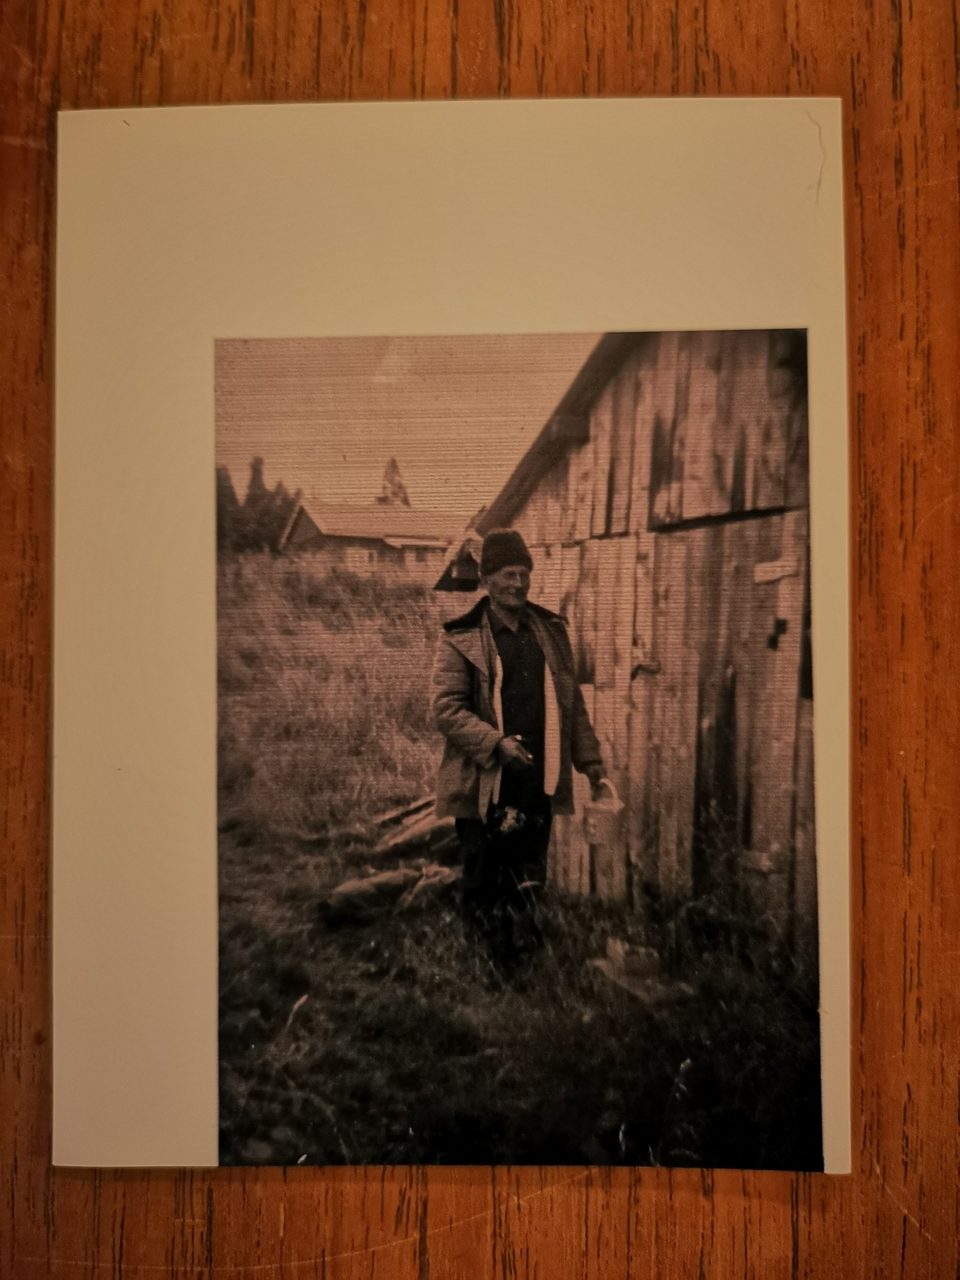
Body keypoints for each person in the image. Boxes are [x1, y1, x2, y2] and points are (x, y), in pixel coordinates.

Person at [431, 529, 606, 970]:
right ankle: (482, 964)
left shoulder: (550, 632)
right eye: (509, 574)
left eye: (524, 574)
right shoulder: (461, 638)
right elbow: (446, 709)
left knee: (528, 872)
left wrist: (591, 763)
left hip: (537, 776)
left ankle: (520, 957)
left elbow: (572, 705)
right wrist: (496, 744)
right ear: (487, 580)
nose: (519, 583)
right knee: (483, 873)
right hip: (484, 779)